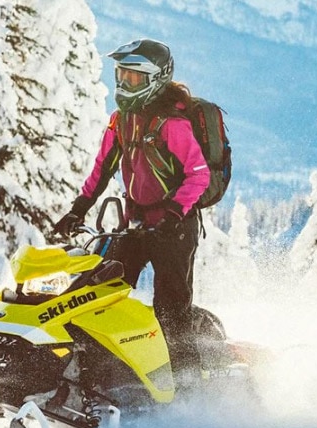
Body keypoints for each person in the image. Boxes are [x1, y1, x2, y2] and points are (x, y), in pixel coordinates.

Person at [53, 38, 210, 391]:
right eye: (121, 75)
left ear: (156, 79)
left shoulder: (173, 124)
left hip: (174, 228)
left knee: (171, 308)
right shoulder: (121, 120)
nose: (124, 84)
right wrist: (77, 210)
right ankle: (106, 373)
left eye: (133, 78)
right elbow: (102, 168)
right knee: (100, 295)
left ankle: (188, 387)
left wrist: (173, 211)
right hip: (134, 226)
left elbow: (199, 174)